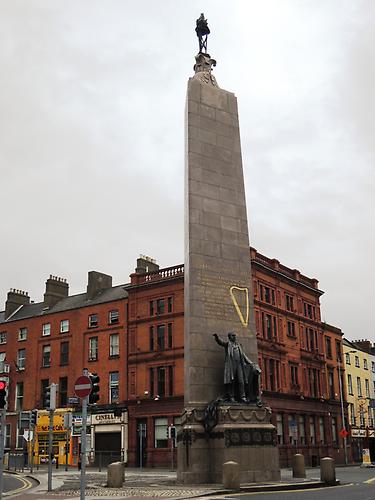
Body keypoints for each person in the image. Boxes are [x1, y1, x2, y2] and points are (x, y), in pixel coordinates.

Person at [213, 332, 261, 403]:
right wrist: (216, 338)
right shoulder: (228, 344)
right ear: (229, 337)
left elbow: (244, 356)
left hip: (239, 365)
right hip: (231, 365)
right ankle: (231, 397)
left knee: (241, 381)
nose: (234, 337)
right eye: (233, 336)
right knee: (231, 382)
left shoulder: (239, 345)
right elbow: (221, 342)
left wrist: (251, 363)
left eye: (235, 335)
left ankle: (243, 397)